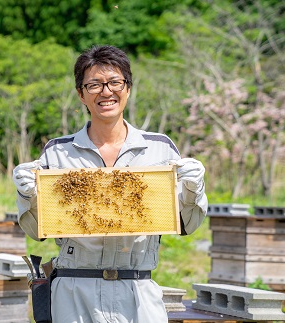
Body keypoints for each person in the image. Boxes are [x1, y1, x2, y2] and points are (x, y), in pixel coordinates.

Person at [12, 45, 207, 323]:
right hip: (74, 290)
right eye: (94, 84)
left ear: (127, 88)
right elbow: (36, 232)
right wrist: (26, 195)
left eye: (115, 82)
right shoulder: (57, 152)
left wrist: (193, 189)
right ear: (81, 93)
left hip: (137, 288)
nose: (106, 92)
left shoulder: (160, 148)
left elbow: (188, 224)